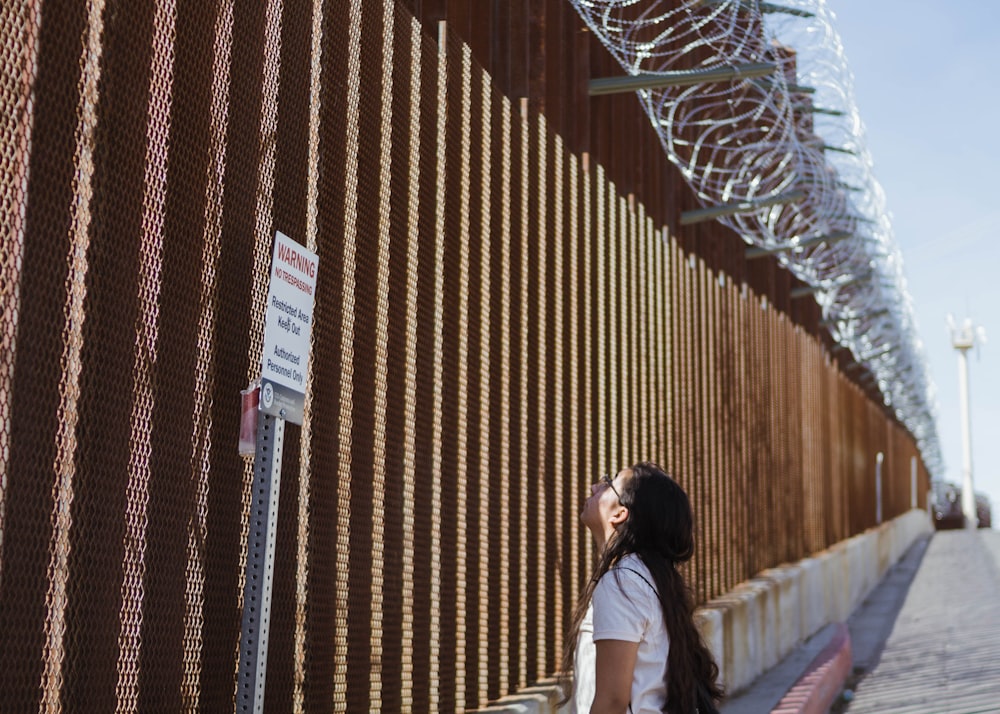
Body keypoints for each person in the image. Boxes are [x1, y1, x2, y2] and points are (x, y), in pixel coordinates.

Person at [561, 462, 723, 713]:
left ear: (620, 514)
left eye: (608, 483)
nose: (595, 487)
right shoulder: (647, 577)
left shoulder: (622, 584)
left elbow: (612, 700)